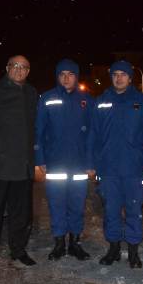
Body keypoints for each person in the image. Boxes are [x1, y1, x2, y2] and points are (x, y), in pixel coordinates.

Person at [88, 60, 143, 268]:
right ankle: (114, 248)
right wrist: (92, 162)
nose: (118, 78)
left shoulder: (142, 102)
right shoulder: (101, 101)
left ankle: (133, 251)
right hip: (108, 168)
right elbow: (93, 135)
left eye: (123, 74)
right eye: (115, 74)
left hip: (134, 167)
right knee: (111, 210)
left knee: (134, 210)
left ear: (130, 78)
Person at [0, 55, 38, 270]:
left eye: (24, 67)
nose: (19, 70)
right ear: (7, 68)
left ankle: (18, 250)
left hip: (23, 166)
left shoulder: (31, 93)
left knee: (21, 214)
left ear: (28, 71)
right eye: (15, 66)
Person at [35, 58, 95, 261]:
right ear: (57, 77)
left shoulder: (86, 100)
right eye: (62, 74)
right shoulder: (47, 98)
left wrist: (90, 162)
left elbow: (92, 134)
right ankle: (59, 243)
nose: (66, 78)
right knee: (57, 204)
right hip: (55, 163)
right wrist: (40, 158)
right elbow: (39, 131)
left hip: (79, 164)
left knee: (77, 205)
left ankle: (75, 243)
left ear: (76, 77)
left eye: (70, 74)